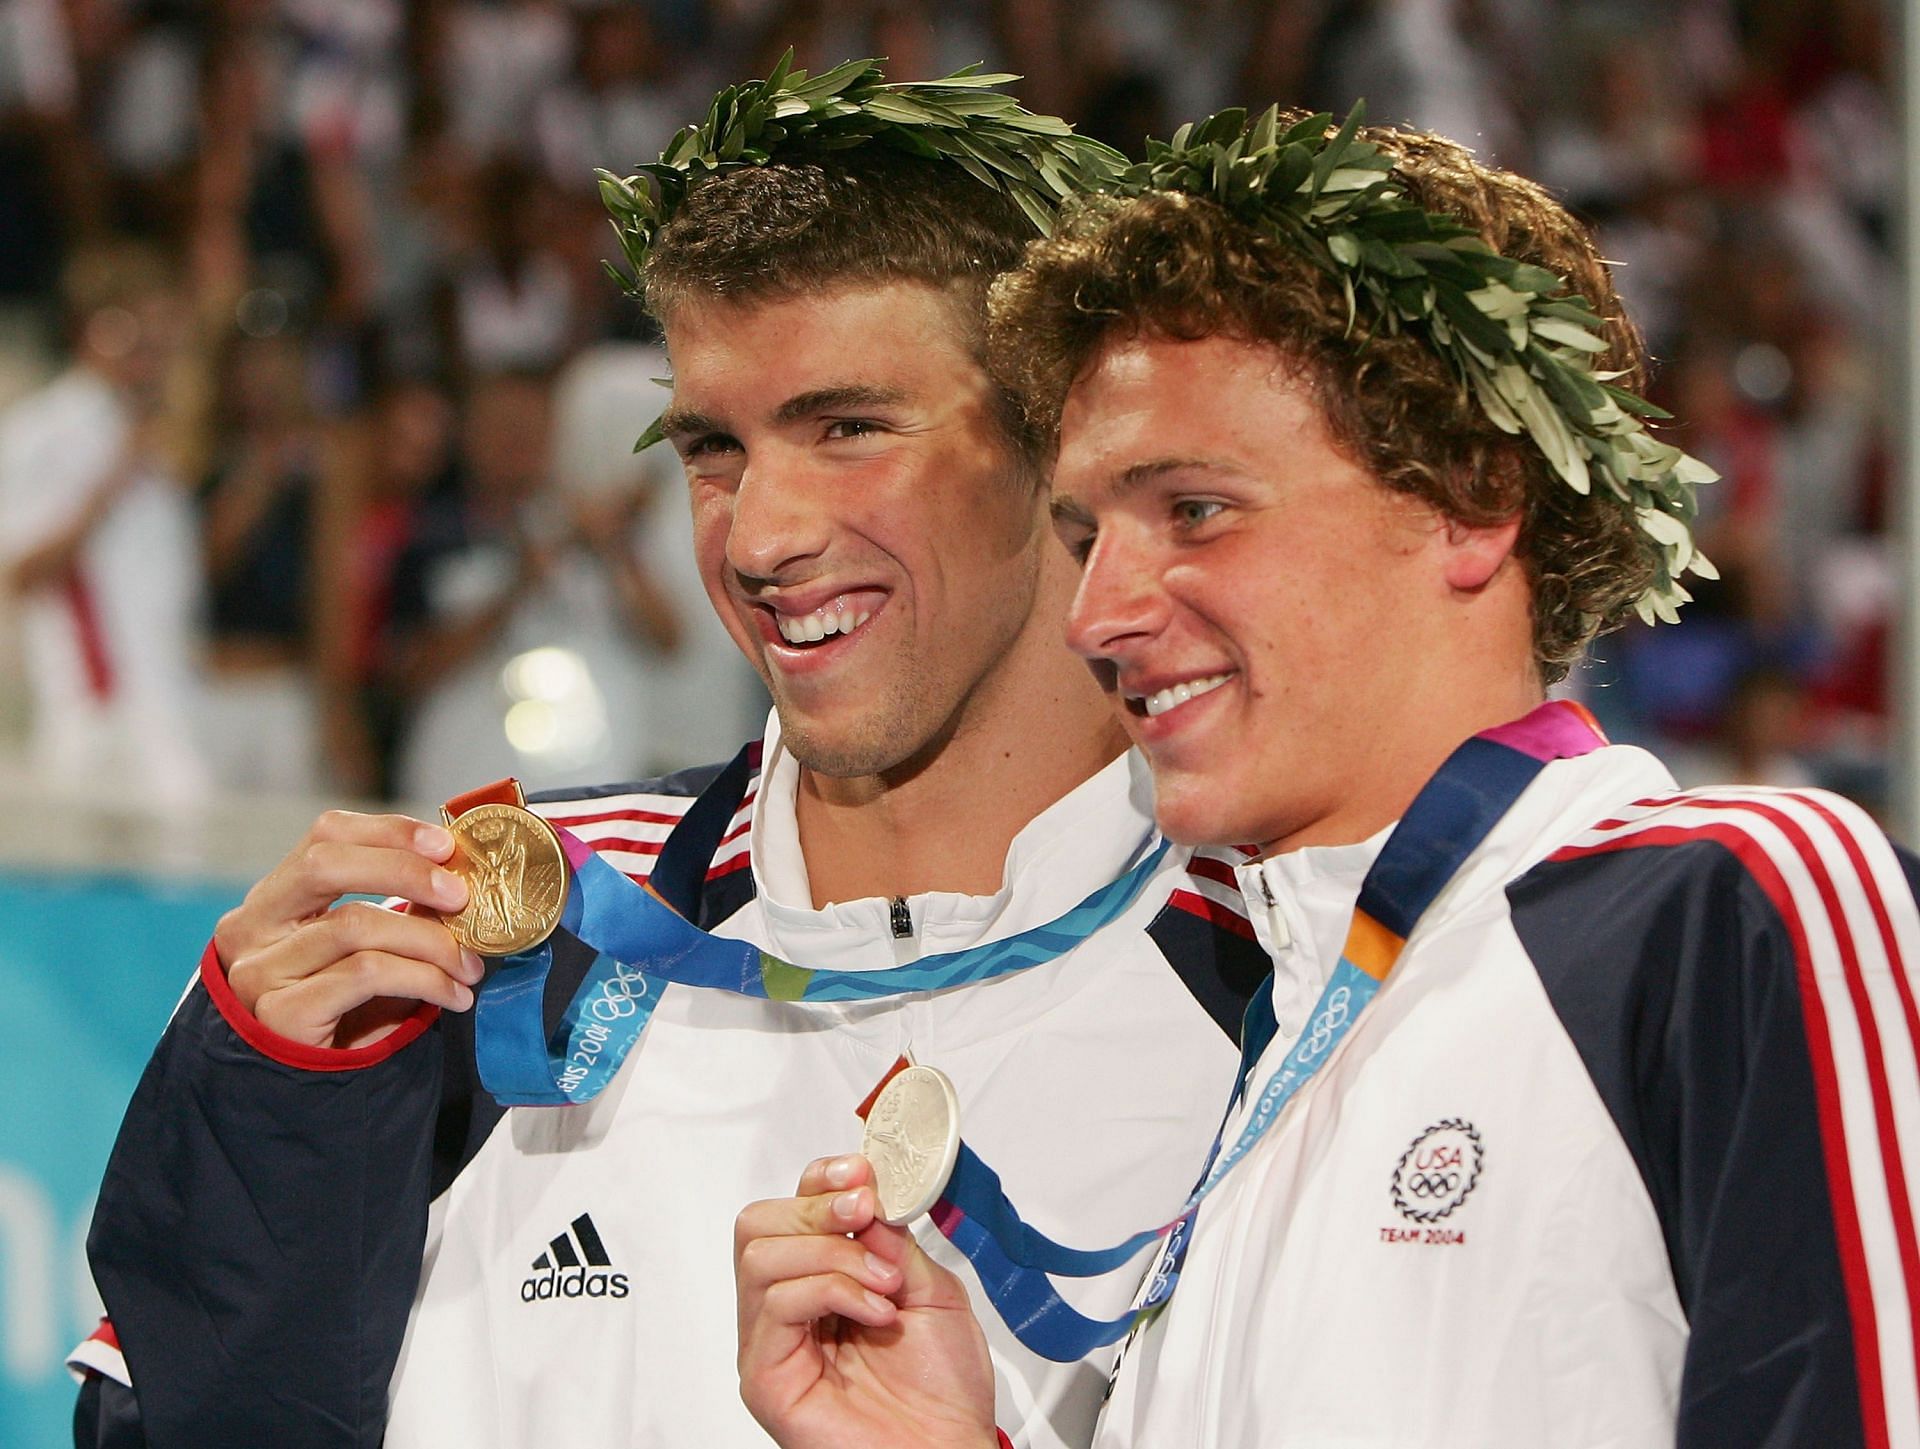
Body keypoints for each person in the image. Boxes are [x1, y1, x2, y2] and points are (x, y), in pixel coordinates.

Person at [71, 62, 1263, 1449]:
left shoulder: (1286, 987)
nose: (757, 538)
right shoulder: (494, 956)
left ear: (1065, 442)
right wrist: (264, 1149)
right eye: (714, 447)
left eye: (849, 428)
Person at [732, 111, 1920, 1448]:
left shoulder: (1730, 907)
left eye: (1192, 510)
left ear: (1474, 497)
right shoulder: (1271, 1051)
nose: (1097, 612)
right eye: (1085, 533)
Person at [0, 240, 211, 806]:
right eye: (146, 327)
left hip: (169, 698)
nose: (161, 346)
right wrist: (107, 486)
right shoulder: (42, 430)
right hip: (96, 707)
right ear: (104, 326)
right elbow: (21, 572)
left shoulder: (156, 432)